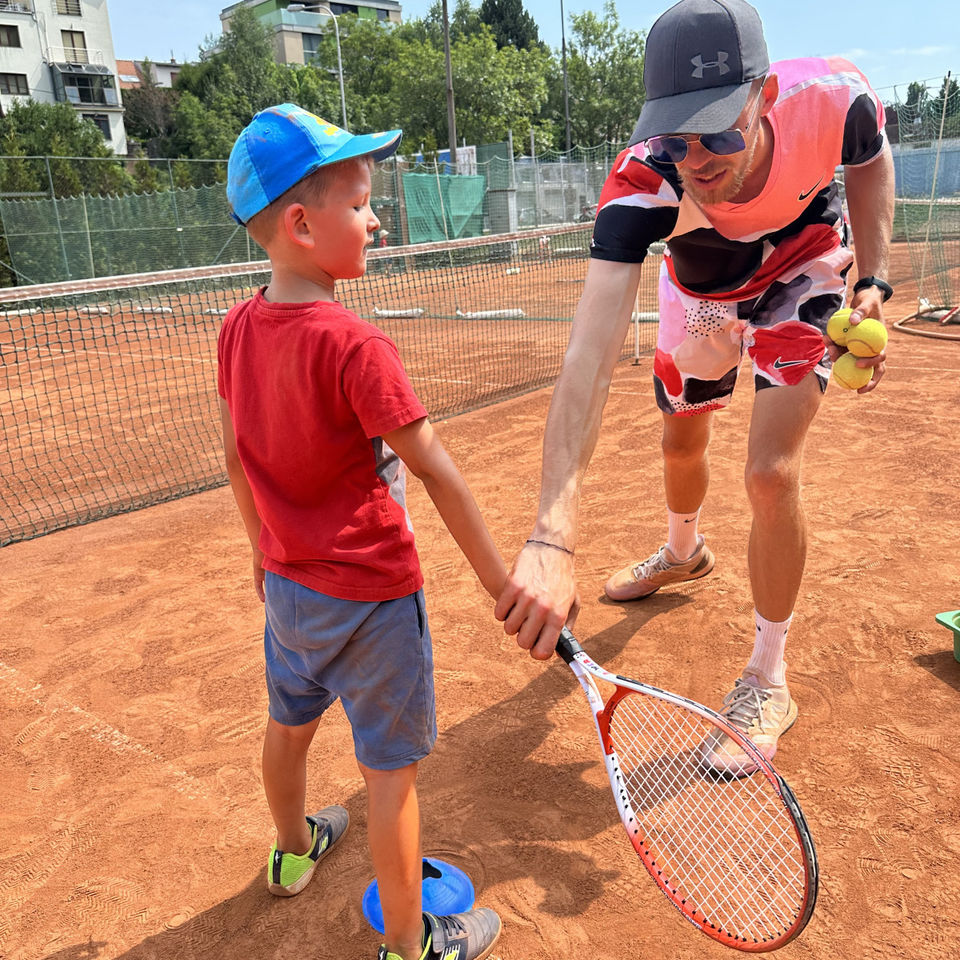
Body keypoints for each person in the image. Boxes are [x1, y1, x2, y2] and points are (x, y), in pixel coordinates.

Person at [495, 0, 894, 775]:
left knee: (769, 473)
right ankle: (685, 551)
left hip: (803, 269)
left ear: (766, 96)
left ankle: (767, 678)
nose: (698, 159)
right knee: (682, 438)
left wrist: (874, 276)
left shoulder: (836, 99)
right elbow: (588, 353)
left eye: (718, 129)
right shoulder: (642, 181)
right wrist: (550, 535)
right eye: (677, 135)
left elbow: (872, 161)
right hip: (702, 289)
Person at [219, 104, 504, 960]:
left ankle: (293, 852)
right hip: (375, 602)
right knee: (391, 777)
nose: (377, 218)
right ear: (301, 225)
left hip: (289, 594)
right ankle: (413, 947)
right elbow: (436, 469)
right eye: (360, 203)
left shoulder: (235, 329)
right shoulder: (356, 343)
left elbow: (235, 459)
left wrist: (261, 554)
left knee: (289, 725)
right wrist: (503, 584)